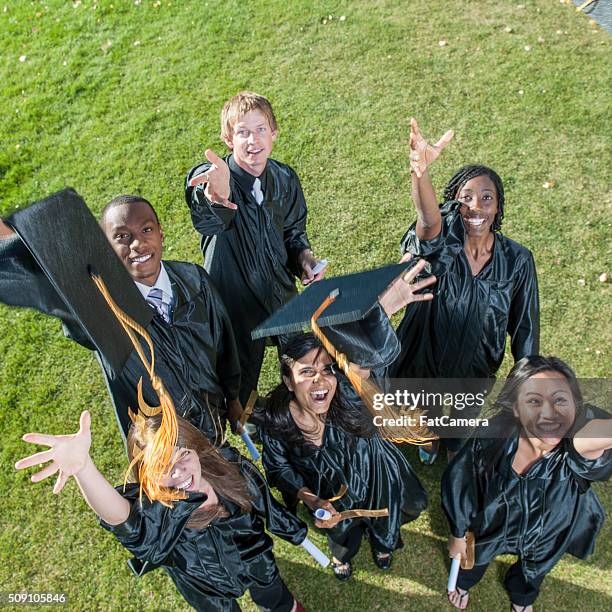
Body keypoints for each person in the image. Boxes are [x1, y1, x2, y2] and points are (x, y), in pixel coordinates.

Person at [0, 195, 242, 443]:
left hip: (215, 419)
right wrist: (10, 242)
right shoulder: (101, 312)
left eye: (146, 230)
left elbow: (224, 340)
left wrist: (233, 397)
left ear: (161, 233)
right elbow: (41, 283)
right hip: (168, 448)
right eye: (122, 237)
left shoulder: (194, 280)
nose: (137, 243)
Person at [15, 411, 307, 612]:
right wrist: (83, 469)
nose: (179, 472)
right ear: (147, 477)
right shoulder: (158, 513)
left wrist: (295, 530)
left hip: (255, 559)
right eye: (163, 468)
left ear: (196, 449)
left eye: (182, 455)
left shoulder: (232, 469)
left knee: (274, 594)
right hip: (205, 586)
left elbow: (266, 504)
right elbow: (122, 519)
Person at [391, 119, 539, 464]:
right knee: (421, 420)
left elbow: (525, 327)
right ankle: (427, 444)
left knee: (459, 430)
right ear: (455, 203)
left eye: (487, 198)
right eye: (467, 197)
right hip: (423, 357)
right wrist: (420, 171)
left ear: (498, 207)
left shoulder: (517, 260)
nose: (476, 207)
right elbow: (427, 219)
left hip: (474, 366)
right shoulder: (440, 243)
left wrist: (528, 381)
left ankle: (453, 448)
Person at [185, 91, 326, 407]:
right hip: (234, 304)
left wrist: (304, 259)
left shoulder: (284, 178)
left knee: (306, 363)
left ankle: (309, 422)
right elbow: (207, 217)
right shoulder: (217, 178)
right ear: (227, 139)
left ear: (273, 133)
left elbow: (292, 231)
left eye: (261, 129)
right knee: (238, 385)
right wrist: (217, 194)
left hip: (279, 292)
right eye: (242, 132)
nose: (253, 140)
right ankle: (244, 421)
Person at [442, 356, 612, 611]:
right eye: (534, 401)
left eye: (560, 400)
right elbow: (461, 485)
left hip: (549, 529)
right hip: (493, 522)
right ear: (516, 409)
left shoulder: (577, 447)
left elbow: (597, 434)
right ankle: (465, 582)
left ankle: (521, 599)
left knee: (534, 570)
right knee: (473, 557)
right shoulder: (491, 438)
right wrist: (457, 534)